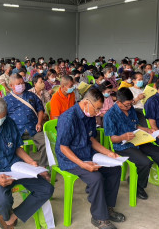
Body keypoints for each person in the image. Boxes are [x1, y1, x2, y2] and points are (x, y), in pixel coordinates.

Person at [0, 97, 53, 228]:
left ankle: (11, 217)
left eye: (3, 117)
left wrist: (32, 163)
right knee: (3, 200)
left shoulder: (9, 122)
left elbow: (17, 147)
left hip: (14, 166)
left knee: (46, 188)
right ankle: (5, 215)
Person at [56, 88, 125, 229]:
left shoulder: (90, 116)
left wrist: (108, 153)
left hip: (86, 153)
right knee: (96, 178)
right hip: (70, 158)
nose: (99, 113)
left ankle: (107, 208)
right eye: (97, 108)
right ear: (86, 103)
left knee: (115, 168)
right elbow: (64, 148)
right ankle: (99, 218)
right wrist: (83, 165)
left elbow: (91, 138)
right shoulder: (68, 118)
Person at [4, 74, 47, 167]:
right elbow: (4, 117)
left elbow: (40, 110)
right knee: (9, 146)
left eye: (22, 83)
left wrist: (39, 123)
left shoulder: (32, 95)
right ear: (11, 85)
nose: (21, 85)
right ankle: (18, 167)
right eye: (18, 84)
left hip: (34, 127)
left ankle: (43, 167)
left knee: (46, 142)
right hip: (16, 130)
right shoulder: (6, 99)